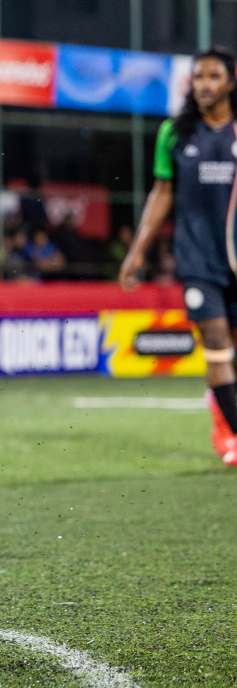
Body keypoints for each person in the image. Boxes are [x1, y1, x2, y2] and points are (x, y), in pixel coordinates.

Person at [120, 46, 237, 467]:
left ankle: (222, 413)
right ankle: (232, 432)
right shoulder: (175, 133)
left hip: (236, 260)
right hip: (197, 262)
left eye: (213, 76)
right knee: (217, 342)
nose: (204, 84)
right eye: (198, 77)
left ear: (231, 80)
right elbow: (161, 194)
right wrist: (137, 252)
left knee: (232, 352)